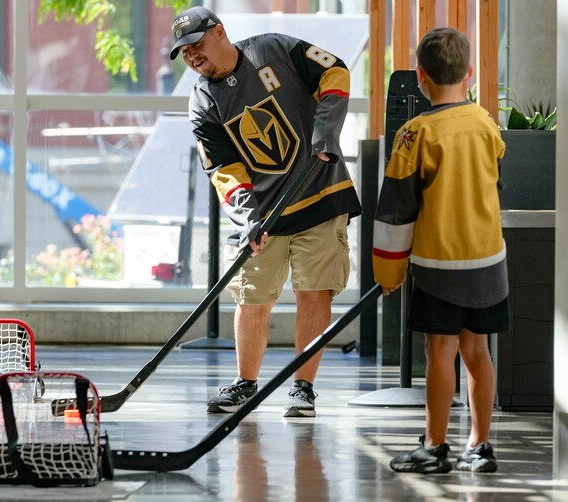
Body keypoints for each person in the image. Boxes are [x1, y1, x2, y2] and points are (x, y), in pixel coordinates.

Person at [169, 6, 361, 418]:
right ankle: (246, 384)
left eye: (197, 45)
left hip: (319, 193)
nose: (192, 57)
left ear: (220, 32)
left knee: (314, 292)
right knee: (251, 296)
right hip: (264, 213)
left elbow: (336, 73)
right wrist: (247, 216)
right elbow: (223, 168)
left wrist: (326, 131)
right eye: (184, 53)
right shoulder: (202, 99)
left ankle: (302, 388)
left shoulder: (272, 49)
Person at [373, 27, 509, 473]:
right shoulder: (486, 122)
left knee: (440, 351)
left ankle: (434, 446)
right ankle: (481, 444)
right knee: (477, 352)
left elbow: (396, 211)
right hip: (489, 262)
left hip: (441, 266)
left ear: (420, 77)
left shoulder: (415, 135)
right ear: (469, 73)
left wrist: (388, 274)